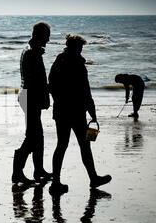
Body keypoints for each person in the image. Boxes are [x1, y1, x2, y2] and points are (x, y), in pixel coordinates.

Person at [48, 34, 111, 195]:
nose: (82, 50)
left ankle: (56, 183)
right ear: (76, 48)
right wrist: (93, 114)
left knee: (61, 145)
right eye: (81, 47)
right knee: (85, 145)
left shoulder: (58, 61)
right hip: (76, 111)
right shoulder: (78, 64)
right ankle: (93, 178)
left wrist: (58, 102)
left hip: (61, 110)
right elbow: (85, 91)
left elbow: (51, 85)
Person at [12, 22, 52, 184]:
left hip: (28, 96)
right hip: (30, 97)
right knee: (32, 137)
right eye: (47, 37)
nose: (48, 40)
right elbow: (35, 81)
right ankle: (17, 171)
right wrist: (44, 97)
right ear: (39, 35)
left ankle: (39, 170)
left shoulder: (32, 50)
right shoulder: (31, 53)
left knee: (38, 136)